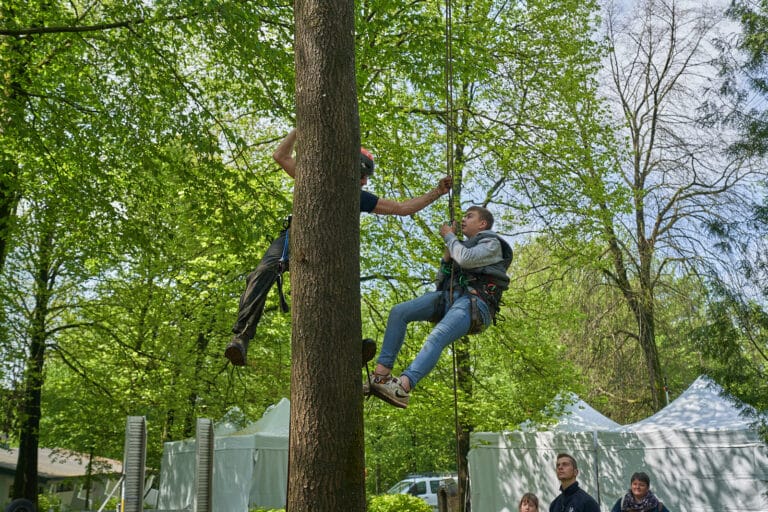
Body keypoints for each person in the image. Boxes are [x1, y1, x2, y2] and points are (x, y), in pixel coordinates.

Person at [225, 129, 453, 366]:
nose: (365, 182)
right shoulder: (314, 178)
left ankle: (351, 347)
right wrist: (299, 129)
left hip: (329, 249)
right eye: (363, 175)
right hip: (294, 238)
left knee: (340, 290)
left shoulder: (358, 196)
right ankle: (241, 337)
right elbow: (280, 156)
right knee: (261, 273)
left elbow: (402, 208)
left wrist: (437, 192)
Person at [366, 205, 513, 408]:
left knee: (437, 335)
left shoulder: (491, 243)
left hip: (476, 304)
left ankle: (402, 387)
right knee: (399, 312)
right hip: (450, 299)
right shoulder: (461, 245)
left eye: (469, 216)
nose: (464, 220)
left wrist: (450, 238)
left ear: (483, 223)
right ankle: (380, 376)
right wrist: (448, 251)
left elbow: (465, 259)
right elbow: (441, 278)